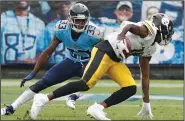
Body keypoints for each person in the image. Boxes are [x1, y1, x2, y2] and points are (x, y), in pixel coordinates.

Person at [30, 13, 174, 120]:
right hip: (105, 49)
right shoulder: (147, 31)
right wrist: (121, 36)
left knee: (130, 88)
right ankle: (43, 98)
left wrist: (146, 103)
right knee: (85, 84)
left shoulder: (151, 48)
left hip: (116, 59)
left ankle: (97, 107)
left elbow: (145, 76)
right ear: (161, 28)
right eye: (167, 32)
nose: (167, 36)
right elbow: (127, 24)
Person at [1, 3, 103, 116]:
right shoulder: (62, 29)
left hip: (87, 63)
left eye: (83, 20)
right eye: (77, 20)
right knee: (42, 83)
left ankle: (73, 95)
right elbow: (48, 51)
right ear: (70, 19)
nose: (80, 23)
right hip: (70, 61)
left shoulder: (94, 33)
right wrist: (34, 72)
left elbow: (104, 53)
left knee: (89, 82)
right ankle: (11, 108)